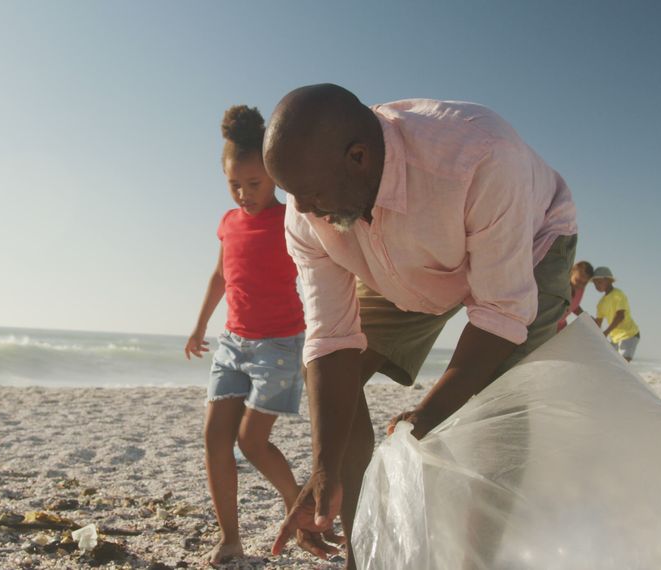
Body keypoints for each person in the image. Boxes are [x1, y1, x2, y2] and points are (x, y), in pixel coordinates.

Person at [261, 84, 577, 568]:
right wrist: (323, 469)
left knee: (501, 412)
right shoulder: (308, 209)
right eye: (291, 194)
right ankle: (361, 554)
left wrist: (424, 418)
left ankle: (479, 559)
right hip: (405, 268)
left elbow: (501, 313)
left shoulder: (481, 158)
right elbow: (331, 340)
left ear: (359, 157)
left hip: (530, 247)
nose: (300, 209)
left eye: (310, 193)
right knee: (338, 388)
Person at [182, 105, 310, 566]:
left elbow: (323, 269)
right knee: (215, 437)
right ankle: (230, 538)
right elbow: (220, 278)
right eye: (234, 184)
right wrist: (200, 327)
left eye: (253, 184)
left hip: (278, 344)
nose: (243, 194)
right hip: (232, 342)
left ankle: (297, 498)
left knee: (251, 442)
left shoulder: (292, 219)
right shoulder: (229, 223)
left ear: (273, 176)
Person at [591, 266, 641, 361]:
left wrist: (606, 332)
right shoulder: (601, 303)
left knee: (623, 365)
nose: (597, 285)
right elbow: (598, 322)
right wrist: (590, 323)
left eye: (599, 282)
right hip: (615, 338)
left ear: (609, 281)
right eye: (594, 283)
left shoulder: (618, 295)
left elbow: (620, 316)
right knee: (612, 364)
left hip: (629, 334)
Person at [557, 260, 594, 331]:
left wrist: (587, 318)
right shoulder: (560, 286)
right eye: (577, 280)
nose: (580, 285)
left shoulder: (580, 290)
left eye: (584, 283)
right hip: (548, 327)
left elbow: (574, 306)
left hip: (561, 327)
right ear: (571, 273)